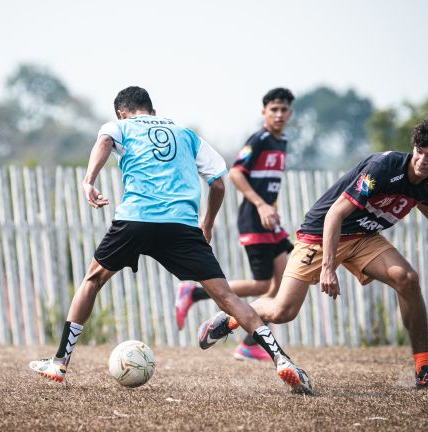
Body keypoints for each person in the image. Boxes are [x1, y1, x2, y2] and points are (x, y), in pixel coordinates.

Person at [28, 86, 313, 395]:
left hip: (135, 219)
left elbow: (105, 141)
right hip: (182, 226)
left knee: (92, 280)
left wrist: (89, 181)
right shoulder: (186, 134)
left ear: (122, 112)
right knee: (228, 298)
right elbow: (218, 183)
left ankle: (59, 361)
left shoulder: (119, 126)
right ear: (151, 109)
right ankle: (282, 359)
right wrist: (207, 223)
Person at [198, 114, 428, 390]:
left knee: (407, 278)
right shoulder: (384, 168)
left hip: (363, 238)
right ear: (413, 146)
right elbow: (335, 214)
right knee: (283, 311)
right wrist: (328, 268)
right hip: (320, 234)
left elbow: (427, 204)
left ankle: (424, 369)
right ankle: (232, 317)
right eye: (419, 152)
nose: (422, 160)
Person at [175, 88, 295, 362]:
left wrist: (272, 209)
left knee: (279, 285)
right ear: (264, 112)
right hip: (254, 219)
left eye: (283, 110)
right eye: (273, 109)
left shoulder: (282, 141)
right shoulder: (261, 139)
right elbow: (237, 174)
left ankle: (249, 345)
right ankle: (194, 292)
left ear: (290, 113)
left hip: (271, 222)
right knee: (263, 284)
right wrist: (262, 205)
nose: (278, 114)